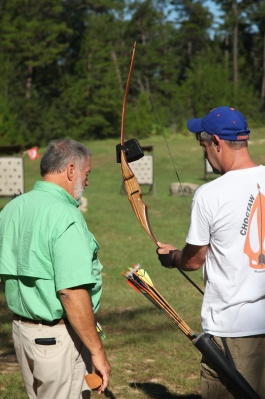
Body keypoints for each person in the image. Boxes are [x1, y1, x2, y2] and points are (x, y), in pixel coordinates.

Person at [156, 106, 265, 399]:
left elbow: (193, 260)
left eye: (203, 144)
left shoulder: (210, 194)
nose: (204, 152)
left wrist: (173, 257)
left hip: (234, 331)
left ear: (216, 142)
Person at [0, 139, 111, 399]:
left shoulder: (12, 208)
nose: (87, 182)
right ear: (71, 170)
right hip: (57, 340)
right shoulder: (65, 216)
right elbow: (71, 292)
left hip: (22, 333)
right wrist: (97, 351)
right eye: (87, 174)